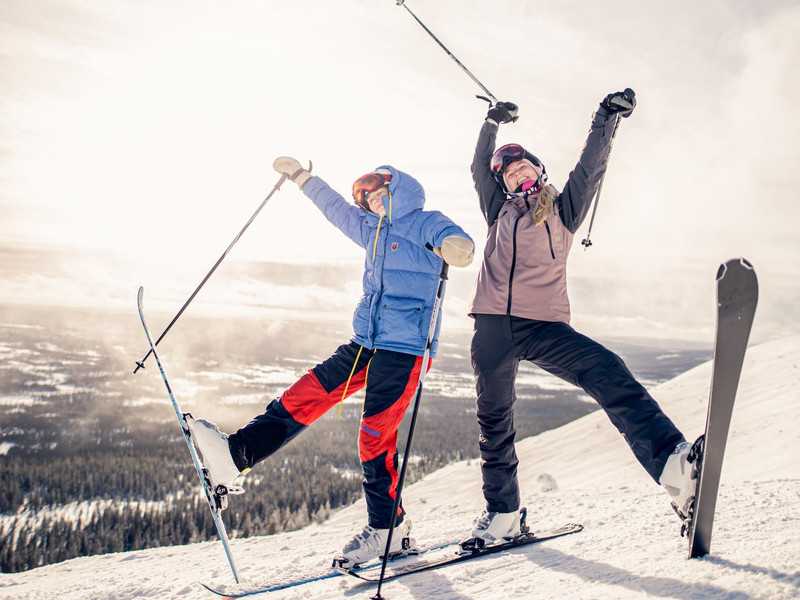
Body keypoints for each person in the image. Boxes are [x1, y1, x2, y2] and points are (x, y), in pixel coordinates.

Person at [186, 157, 475, 568]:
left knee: (374, 436)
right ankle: (237, 455)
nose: (375, 203)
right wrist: (303, 178)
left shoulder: (425, 221)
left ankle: (387, 530)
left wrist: (455, 248)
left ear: (399, 190)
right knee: (307, 393)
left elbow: (455, 241)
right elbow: (335, 208)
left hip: (406, 349)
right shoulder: (370, 230)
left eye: (380, 194)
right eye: (369, 199)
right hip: (365, 341)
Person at [460, 90, 697, 549]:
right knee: (495, 420)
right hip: (491, 326)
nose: (516, 172)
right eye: (508, 171)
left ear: (538, 170)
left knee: (607, 369)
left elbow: (590, 166)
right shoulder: (498, 210)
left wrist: (605, 117)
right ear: (503, 184)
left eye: (523, 165)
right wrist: (491, 123)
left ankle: (675, 466)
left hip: (543, 325)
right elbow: (477, 168)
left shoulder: (564, 212)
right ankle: (503, 514)